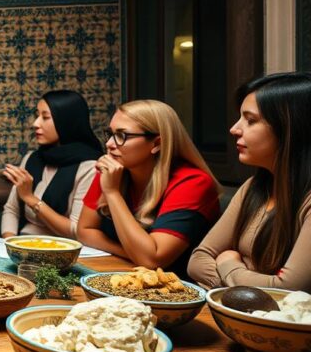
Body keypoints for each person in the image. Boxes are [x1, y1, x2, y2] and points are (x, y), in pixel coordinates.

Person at [188, 73, 311, 291]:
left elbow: (288, 290)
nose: (234, 129)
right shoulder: (254, 187)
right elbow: (198, 260)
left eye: (251, 120)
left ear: (290, 128)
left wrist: (228, 263)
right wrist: (246, 283)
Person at [76, 100, 219, 276]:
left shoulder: (193, 182)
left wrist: (112, 193)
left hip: (177, 291)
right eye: (110, 134)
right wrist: (133, 253)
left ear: (157, 143)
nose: (110, 144)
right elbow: (84, 231)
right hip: (121, 273)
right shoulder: (114, 168)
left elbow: (152, 260)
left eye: (122, 136)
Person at [1, 90, 102, 239]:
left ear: (66, 121)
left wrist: (30, 198)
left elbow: (76, 230)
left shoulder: (90, 166)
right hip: (22, 243)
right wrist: (8, 243)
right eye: (37, 116)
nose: (35, 123)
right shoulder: (31, 158)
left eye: (45, 117)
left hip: (62, 249)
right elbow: (11, 209)